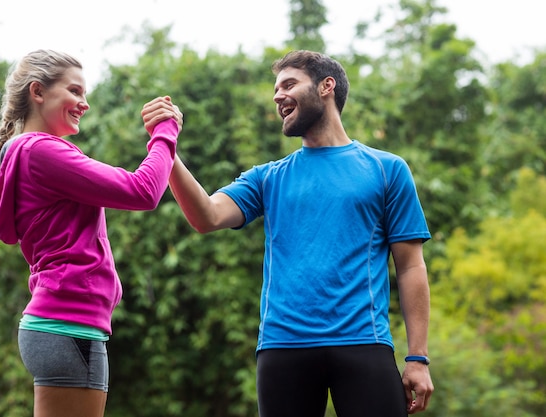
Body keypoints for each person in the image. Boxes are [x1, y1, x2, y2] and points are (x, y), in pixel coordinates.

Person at [144, 50, 433, 417]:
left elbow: (410, 267)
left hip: (363, 343)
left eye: (289, 84)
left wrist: (418, 358)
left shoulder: (386, 169)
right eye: (275, 88)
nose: (278, 96)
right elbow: (207, 216)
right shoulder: (268, 177)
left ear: (327, 87)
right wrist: (165, 147)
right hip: (283, 348)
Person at [0, 49, 182, 417]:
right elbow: (143, 191)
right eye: (74, 91)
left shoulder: (27, 153)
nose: (83, 103)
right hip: (68, 327)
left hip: (60, 326)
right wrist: (166, 131)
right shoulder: (40, 151)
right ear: (38, 92)